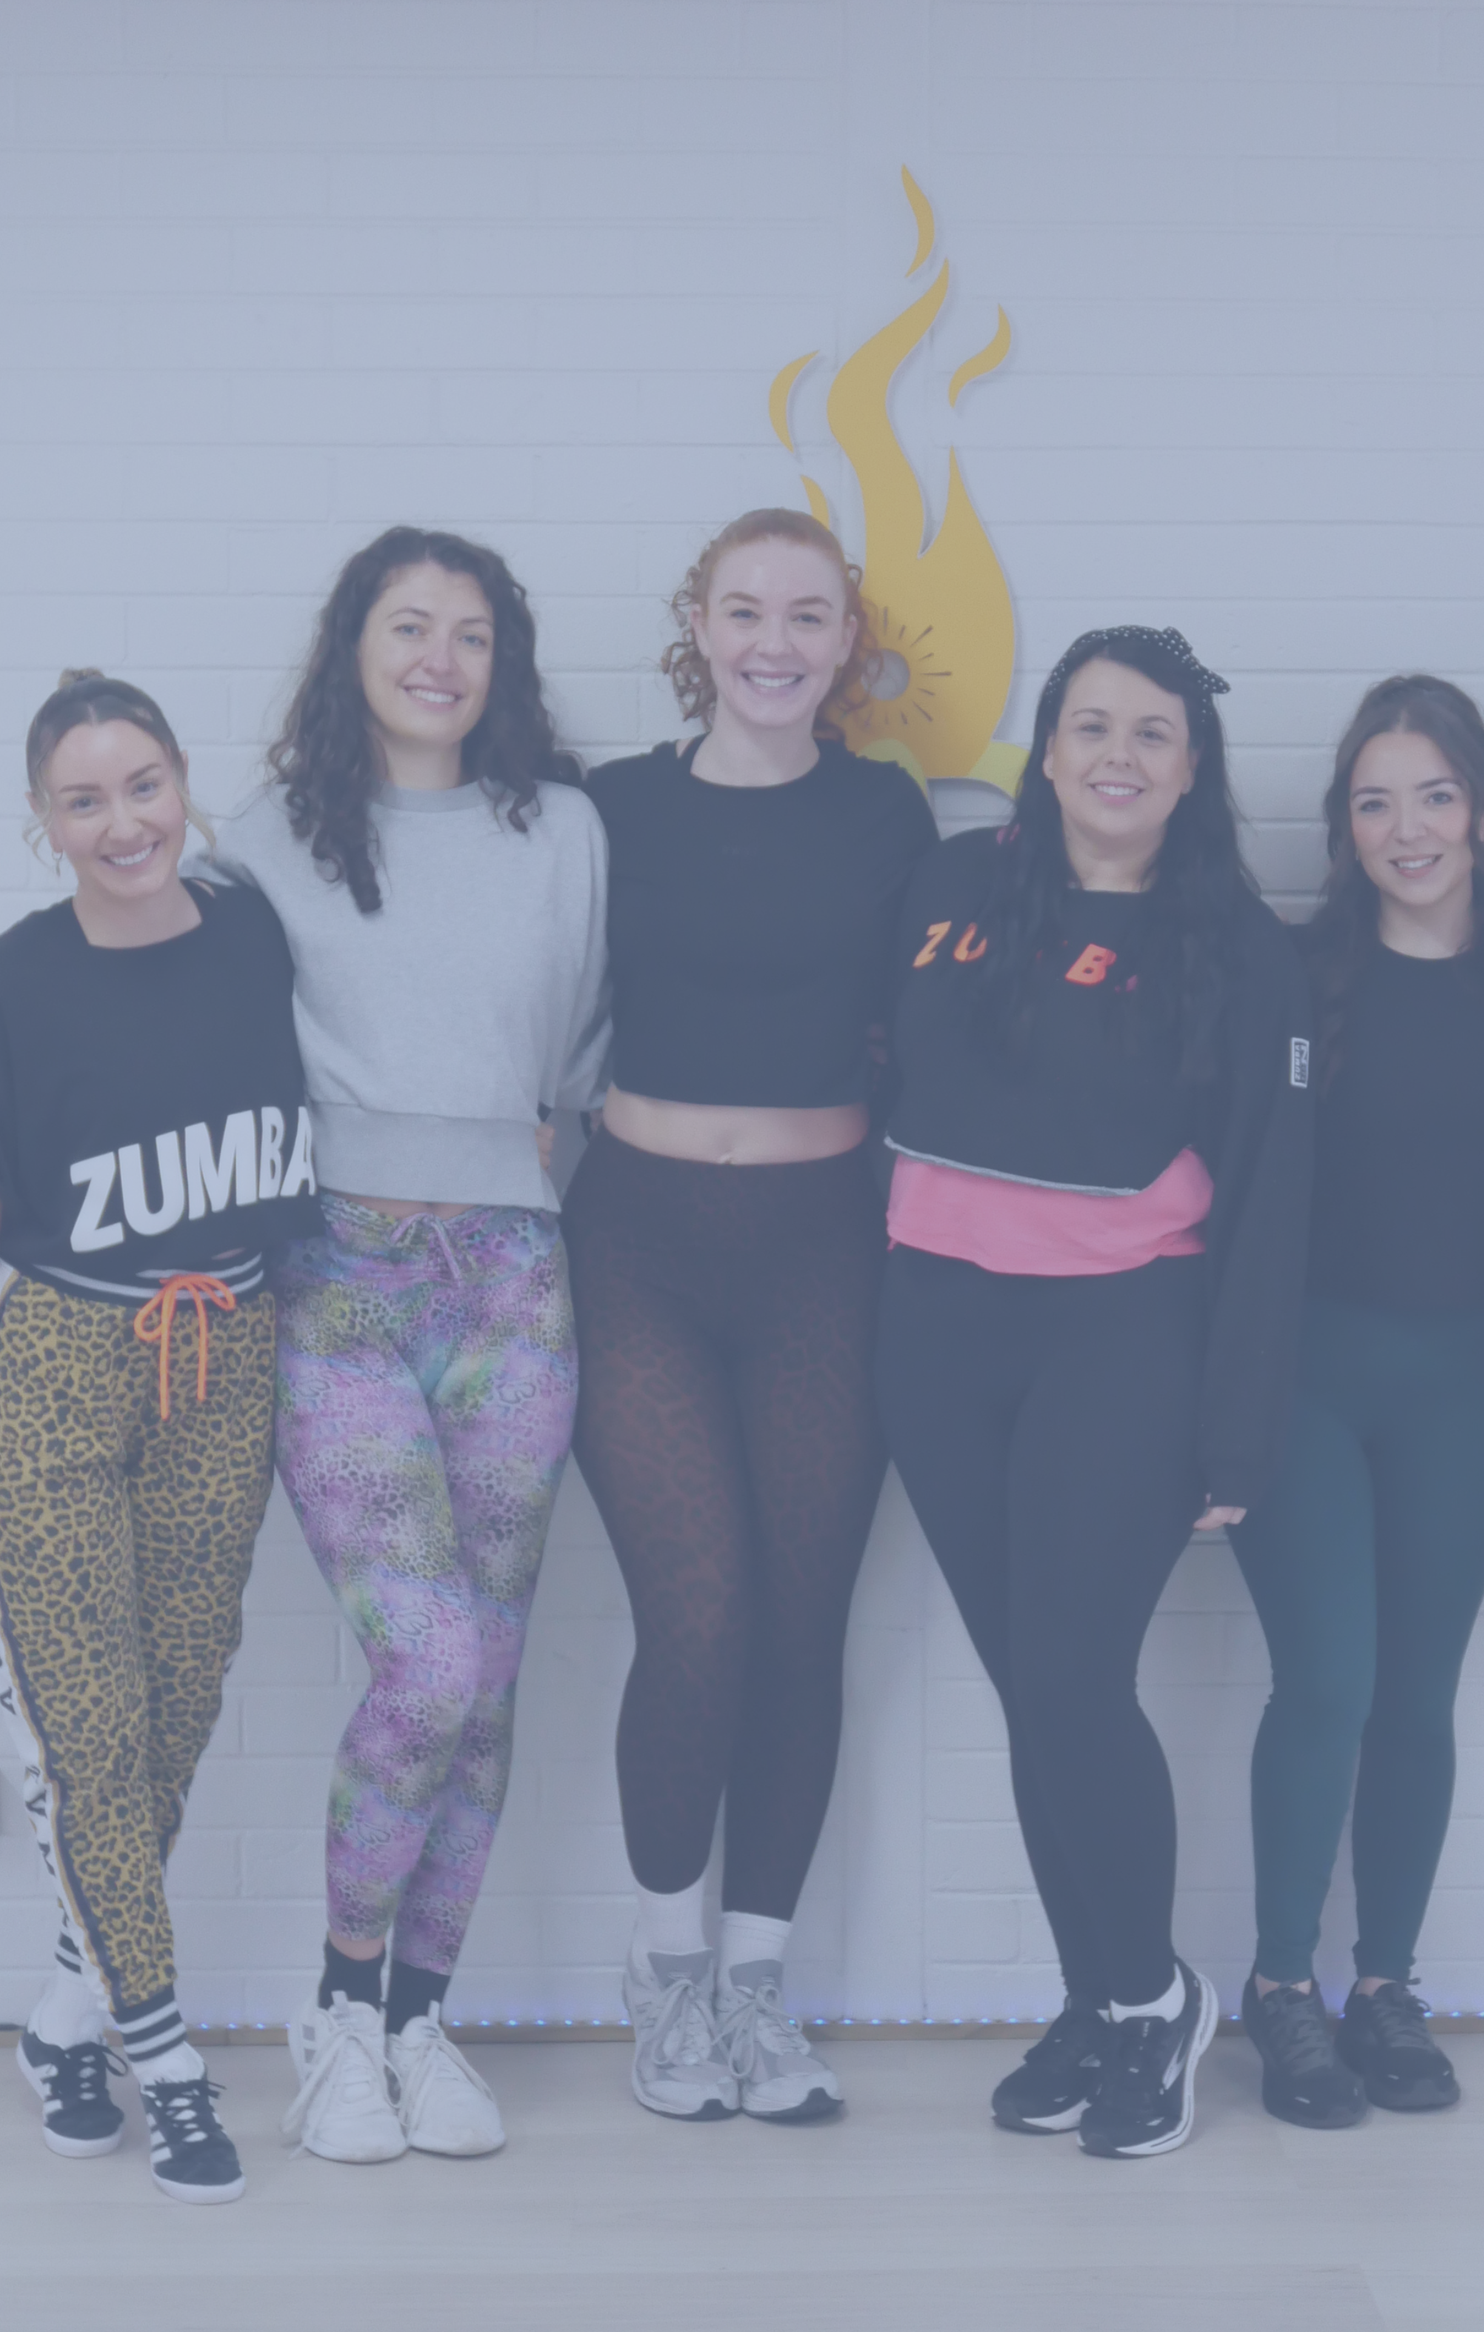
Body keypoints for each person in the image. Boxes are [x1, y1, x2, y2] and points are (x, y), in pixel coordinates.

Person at [0, 528, 609, 2167]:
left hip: (513, 1276)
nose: (437, 655)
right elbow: (92, 968)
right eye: (403, 624)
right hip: (327, 1285)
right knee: (418, 1661)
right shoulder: (263, 858)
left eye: (470, 632)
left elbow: (585, 1047)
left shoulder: (566, 832)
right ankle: (327, 2013)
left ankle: (408, 2021)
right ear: (348, 650)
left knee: (481, 1685)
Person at [874, 626, 1313, 2159]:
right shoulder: (946, 892)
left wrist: (1237, 1426)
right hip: (936, 1336)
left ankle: (1152, 1998)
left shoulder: (1244, 951)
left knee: (1071, 1681)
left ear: (1192, 771)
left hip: (1119, 1337)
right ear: (1045, 748)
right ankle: (1098, 1996)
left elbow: (1272, 1203)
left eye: (1154, 734)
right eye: (1091, 725)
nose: (1118, 754)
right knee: (1030, 1695)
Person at [0, 672, 322, 2203]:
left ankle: (64, 2019)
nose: (123, 822)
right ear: (43, 821)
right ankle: (168, 2060)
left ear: (182, 783)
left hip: (228, 1350)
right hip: (63, 1361)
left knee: (176, 1703)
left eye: (143, 784)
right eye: (84, 800)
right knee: (88, 1728)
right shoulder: (7, 987)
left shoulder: (258, 932)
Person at [571, 507, 937, 2123]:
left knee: (799, 1625)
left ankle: (760, 1987)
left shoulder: (889, 813)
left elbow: (944, 1019)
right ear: (697, 628)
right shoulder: (610, 808)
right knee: (700, 1615)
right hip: (637, 1239)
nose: (774, 641)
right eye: (744, 611)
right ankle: (665, 1974)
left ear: (846, 640)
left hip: (823, 1247)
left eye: (807, 614)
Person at [1231, 676, 1484, 2128]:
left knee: (1415, 1696)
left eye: (1433, 796)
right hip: (1307, 1380)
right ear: (1343, 824)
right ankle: (1282, 1988)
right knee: (1332, 1683)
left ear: (1482, 808)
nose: (1405, 828)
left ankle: (1388, 1988)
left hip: (1473, 1376)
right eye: (1374, 800)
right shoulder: (1297, 978)